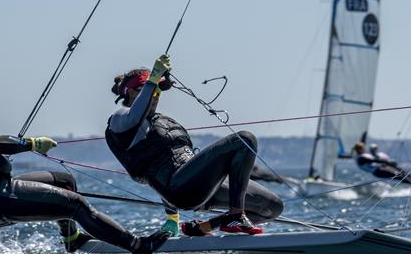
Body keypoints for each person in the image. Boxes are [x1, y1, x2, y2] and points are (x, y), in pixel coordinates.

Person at [0, 91, 169, 254]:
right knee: (75, 205)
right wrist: (31, 143)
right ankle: (137, 246)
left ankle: (72, 239)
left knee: (64, 181)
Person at [105, 55, 283, 237]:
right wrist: (153, 79)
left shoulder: (159, 120)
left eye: (158, 92)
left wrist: (172, 219)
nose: (155, 97)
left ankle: (204, 227)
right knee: (244, 139)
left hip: (200, 185)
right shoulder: (120, 118)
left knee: (272, 207)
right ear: (131, 93)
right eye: (149, 91)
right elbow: (155, 167)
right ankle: (236, 216)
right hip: (180, 189)